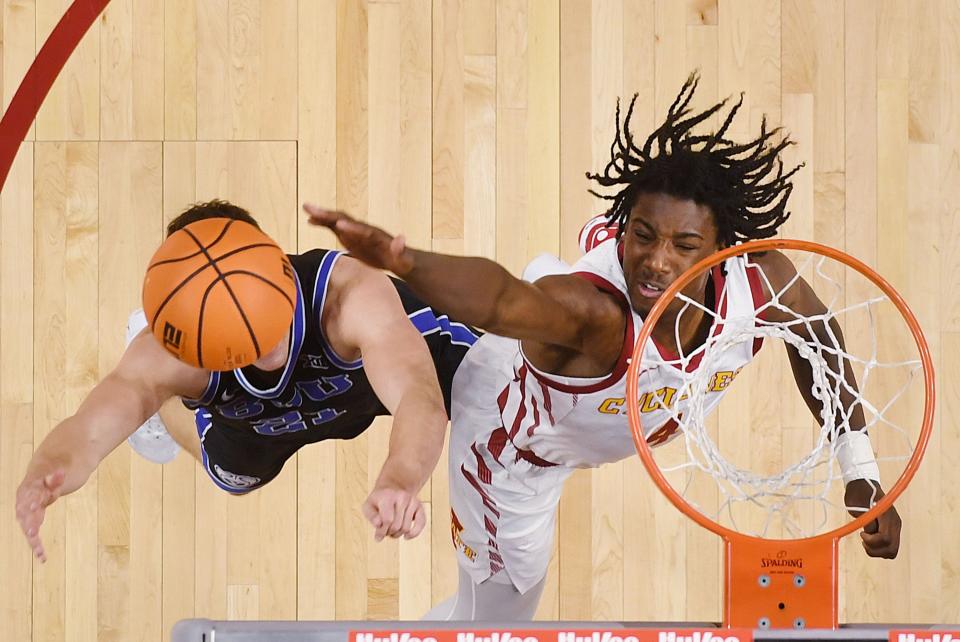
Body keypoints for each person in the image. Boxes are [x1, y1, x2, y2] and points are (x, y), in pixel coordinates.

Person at [305, 73, 902, 620]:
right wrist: (405, 261)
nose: (656, 262)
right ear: (624, 226)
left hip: (589, 414)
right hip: (512, 447)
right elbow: (500, 302)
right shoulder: (595, 316)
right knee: (498, 622)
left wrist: (860, 468)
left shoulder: (760, 281)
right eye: (641, 235)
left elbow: (817, 334)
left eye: (684, 244)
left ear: (723, 247)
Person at [16, 200, 478, 563]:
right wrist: (45, 474)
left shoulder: (348, 296)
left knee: (488, 393)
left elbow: (419, 397)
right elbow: (89, 429)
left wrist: (399, 479)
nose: (259, 339)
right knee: (233, 477)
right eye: (229, 323)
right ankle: (165, 406)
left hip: (371, 378)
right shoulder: (172, 351)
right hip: (256, 416)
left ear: (273, 264)